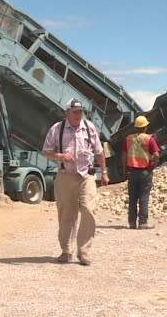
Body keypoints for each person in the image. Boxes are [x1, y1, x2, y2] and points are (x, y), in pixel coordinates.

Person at [42, 97, 108, 266]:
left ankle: (84, 251)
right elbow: (47, 151)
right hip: (65, 176)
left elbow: (99, 151)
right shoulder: (57, 129)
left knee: (88, 209)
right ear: (67, 113)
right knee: (66, 214)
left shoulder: (89, 128)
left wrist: (105, 172)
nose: (78, 115)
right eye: (75, 112)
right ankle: (66, 251)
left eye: (80, 112)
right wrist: (61, 156)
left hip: (86, 176)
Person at [122, 115, 160, 230]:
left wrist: (125, 169)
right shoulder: (149, 139)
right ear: (145, 127)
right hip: (145, 172)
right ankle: (143, 223)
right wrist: (154, 165)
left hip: (132, 172)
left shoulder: (128, 139)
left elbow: (123, 155)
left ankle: (132, 223)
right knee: (144, 197)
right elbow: (156, 155)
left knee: (132, 197)